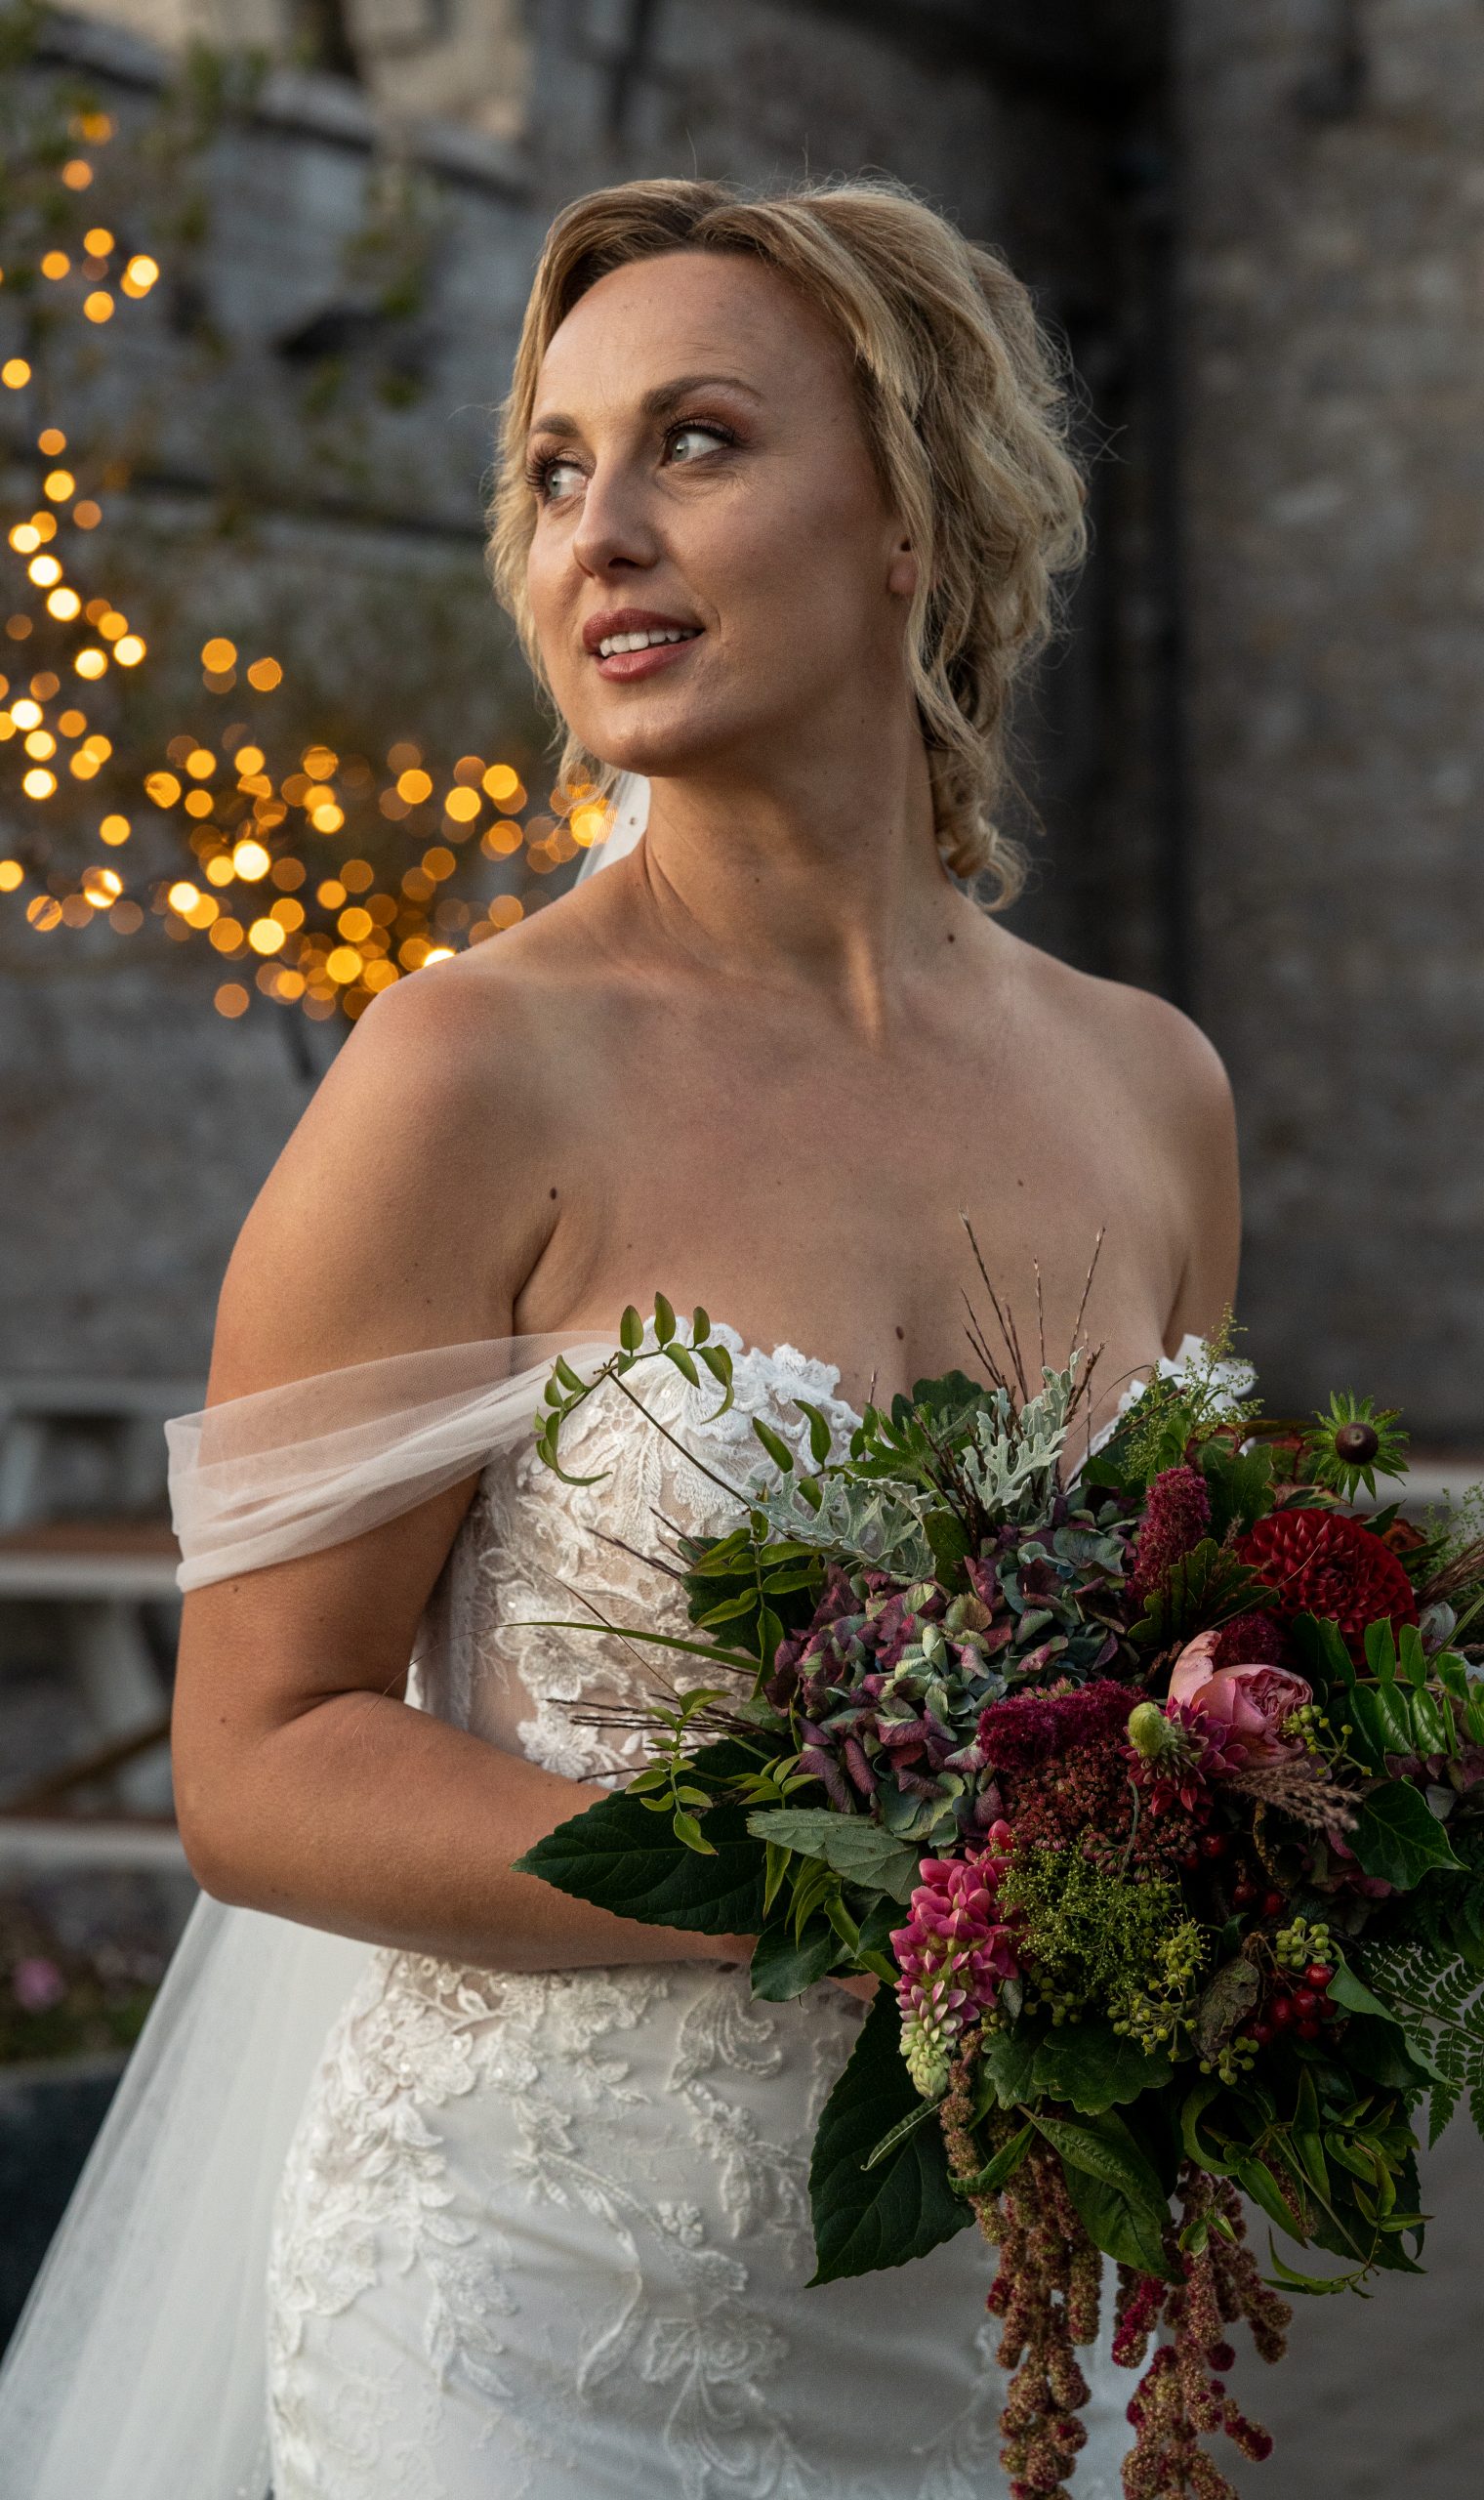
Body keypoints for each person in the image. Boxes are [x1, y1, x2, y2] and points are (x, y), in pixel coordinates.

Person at [0, 174, 1240, 2498]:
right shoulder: (465, 1073)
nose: (601, 530)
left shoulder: (1151, 1086)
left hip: (1001, 2308)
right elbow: (260, 1752)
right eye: (556, 467)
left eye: (692, 442)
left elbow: (1169, 1672)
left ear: (913, 514)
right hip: (540, 2323)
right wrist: (804, 1882)